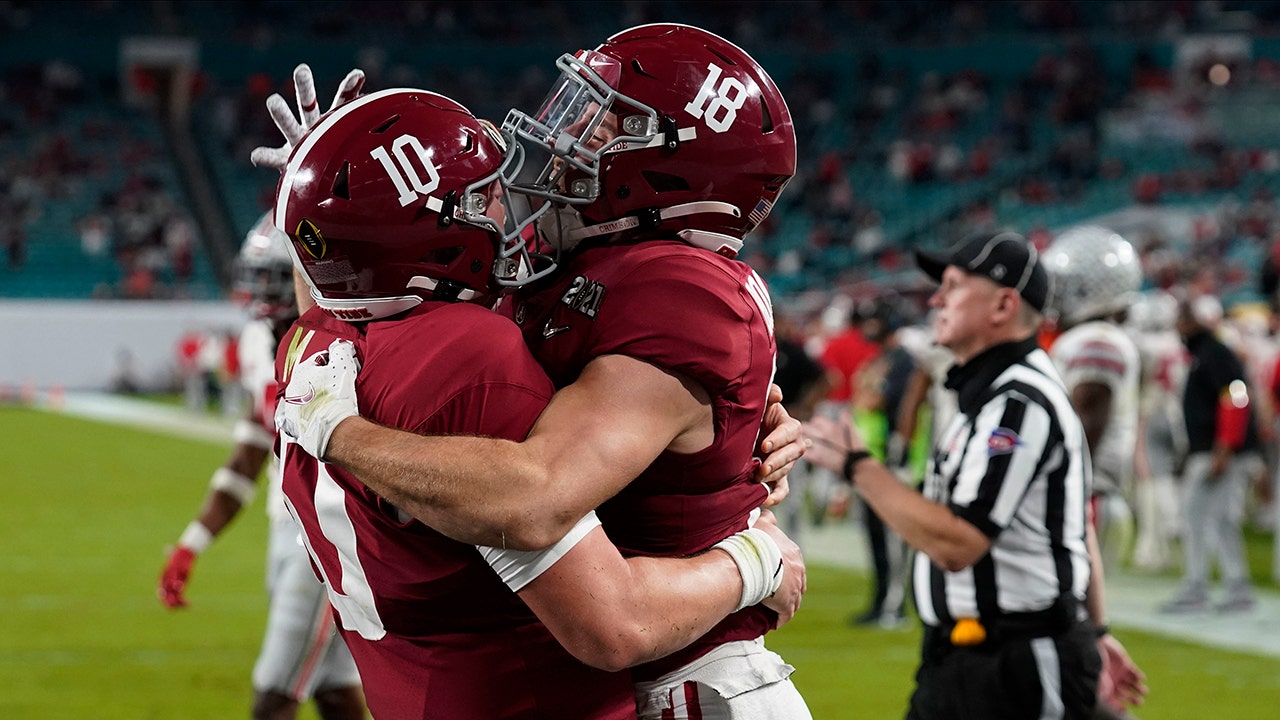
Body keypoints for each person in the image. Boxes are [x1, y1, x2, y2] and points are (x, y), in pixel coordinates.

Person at [269, 24, 813, 719]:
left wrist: (756, 557)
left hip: (694, 681)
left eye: (605, 121)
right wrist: (331, 193)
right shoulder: (563, 258)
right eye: (577, 107)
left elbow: (537, 497)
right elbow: (368, 298)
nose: (566, 135)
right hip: (629, 664)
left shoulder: (678, 289)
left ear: (678, 169)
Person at [805, 231, 1110, 719]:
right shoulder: (989, 392)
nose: (936, 300)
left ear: (1002, 306)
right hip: (968, 656)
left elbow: (959, 542)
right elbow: (1077, 524)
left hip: (1014, 661)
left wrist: (858, 467)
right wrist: (1100, 632)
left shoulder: (1017, 401)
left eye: (953, 285)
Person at [157, 212, 366, 720]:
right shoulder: (257, 343)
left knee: (273, 693)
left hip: (331, 533)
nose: (261, 298)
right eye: (257, 281)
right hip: (284, 526)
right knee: (332, 689)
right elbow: (252, 445)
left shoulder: (348, 344)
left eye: (273, 279)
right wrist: (192, 542)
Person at [1042, 225, 1149, 719]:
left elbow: (1087, 420)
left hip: (1086, 499)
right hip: (1091, 498)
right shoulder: (1103, 336)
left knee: (1071, 652)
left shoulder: (1095, 339)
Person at [1160, 291, 1262, 614]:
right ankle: (1230, 586)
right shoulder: (1206, 351)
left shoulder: (1213, 351)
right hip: (1212, 450)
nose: (1178, 326)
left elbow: (1236, 395)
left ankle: (1203, 587)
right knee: (1215, 519)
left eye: (1181, 319)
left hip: (1217, 451)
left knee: (1204, 517)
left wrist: (1225, 445)